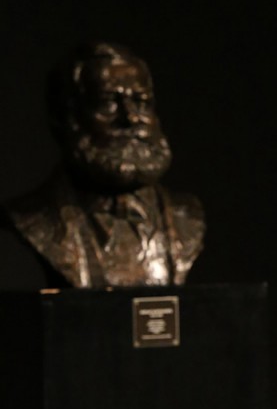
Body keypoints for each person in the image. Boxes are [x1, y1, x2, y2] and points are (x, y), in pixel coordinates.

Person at [1, 41, 205, 288]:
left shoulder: (186, 215)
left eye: (141, 102)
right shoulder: (33, 218)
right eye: (107, 102)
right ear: (67, 117)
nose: (130, 117)